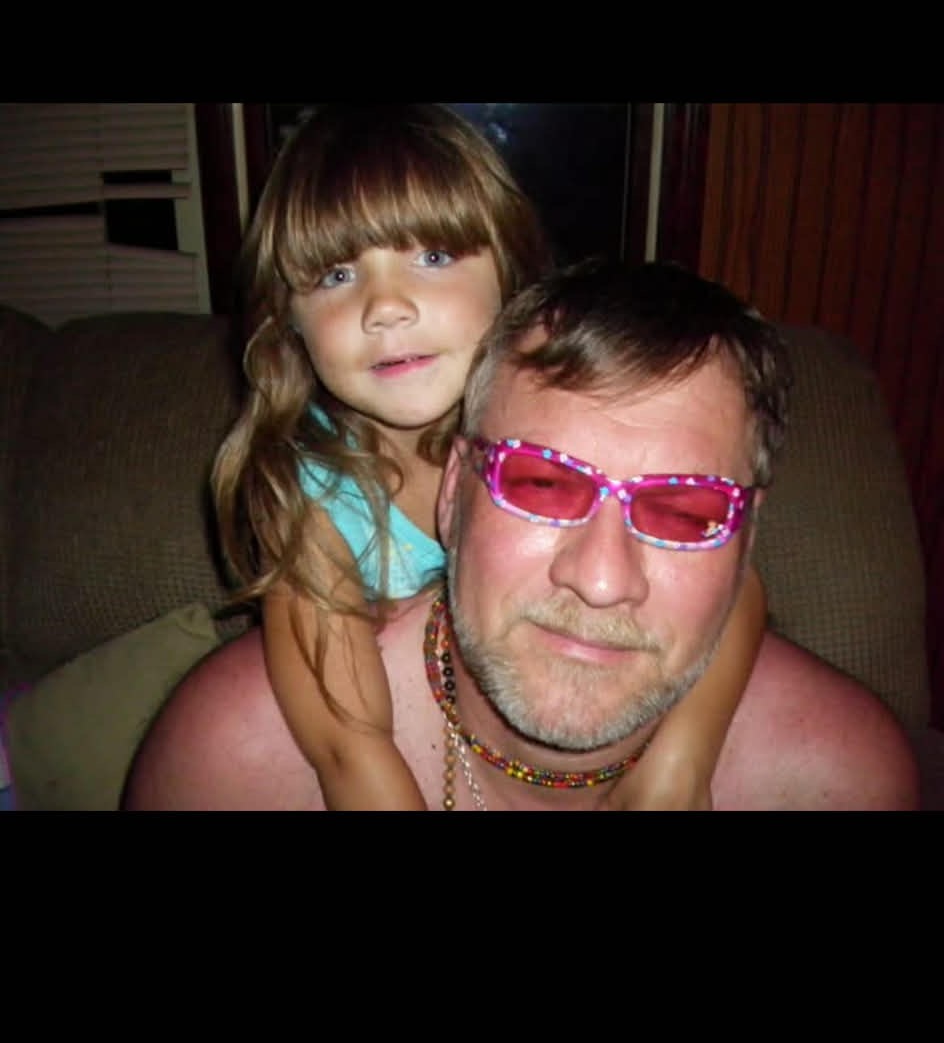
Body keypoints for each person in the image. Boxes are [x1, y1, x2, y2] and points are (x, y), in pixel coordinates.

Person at [125, 256, 918, 812]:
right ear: (452, 493)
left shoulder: (841, 781)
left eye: (684, 512)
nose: (601, 578)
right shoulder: (235, 763)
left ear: (747, 538)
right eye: (542, 484)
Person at [187, 109, 765, 811]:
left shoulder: (566, 429)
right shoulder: (307, 491)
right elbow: (348, 746)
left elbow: (738, 589)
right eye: (336, 274)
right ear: (288, 322)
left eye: (433, 257)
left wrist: (683, 761)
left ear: (511, 275)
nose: (386, 307)